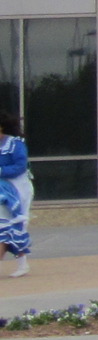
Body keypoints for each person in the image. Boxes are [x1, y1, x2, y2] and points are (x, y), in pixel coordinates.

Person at [0, 114, 28, 277]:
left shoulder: (15, 144)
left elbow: (20, 166)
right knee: (4, 227)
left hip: (17, 187)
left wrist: (1, 171)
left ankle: (22, 263)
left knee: (15, 225)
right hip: (1, 188)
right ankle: (23, 263)